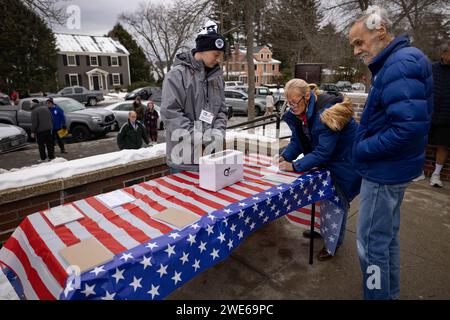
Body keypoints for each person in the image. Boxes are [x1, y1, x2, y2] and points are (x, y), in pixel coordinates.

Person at [349, 6, 433, 299]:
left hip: (384, 172)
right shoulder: (400, 62)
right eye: (354, 46)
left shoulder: (399, 64)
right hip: (391, 170)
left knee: (371, 246)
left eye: (360, 42)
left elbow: (407, 128)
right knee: (385, 242)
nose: (357, 51)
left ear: (380, 31)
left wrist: (362, 147)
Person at [275, 78, 361, 261]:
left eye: (294, 102)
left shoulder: (326, 113)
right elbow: (298, 141)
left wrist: (294, 166)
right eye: (288, 103)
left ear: (307, 96)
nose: (291, 107)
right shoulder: (301, 112)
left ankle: (333, 243)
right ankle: (322, 230)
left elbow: (323, 152)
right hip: (331, 159)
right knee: (321, 196)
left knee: (338, 200)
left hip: (345, 161)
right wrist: (286, 156)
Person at [161, 21, 228, 173]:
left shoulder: (217, 78)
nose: (218, 59)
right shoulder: (176, 76)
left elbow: (222, 111)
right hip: (184, 161)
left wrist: (217, 135)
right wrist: (202, 139)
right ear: (202, 49)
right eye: (216, 54)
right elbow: (171, 115)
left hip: (211, 159)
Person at [428, 41, 450, 187]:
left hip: (447, 115)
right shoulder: (432, 68)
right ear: (444, 53)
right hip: (429, 112)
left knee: (443, 145)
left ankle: (436, 175)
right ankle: (417, 171)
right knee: (420, 141)